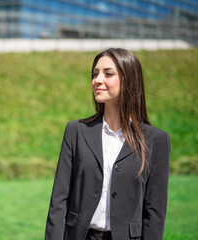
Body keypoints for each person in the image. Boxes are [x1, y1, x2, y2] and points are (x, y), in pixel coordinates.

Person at [45, 48, 170, 240]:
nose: (97, 80)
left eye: (108, 74)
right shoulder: (76, 131)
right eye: (95, 74)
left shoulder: (156, 140)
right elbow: (58, 201)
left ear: (129, 80)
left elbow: (155, 212)